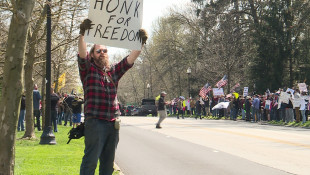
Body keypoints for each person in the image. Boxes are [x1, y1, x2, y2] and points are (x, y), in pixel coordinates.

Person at [78, 19, 148, 175]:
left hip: (112, 124)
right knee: (90, 162)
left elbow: (130, 59)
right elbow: (82, 54)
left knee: (107, 166)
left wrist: (140, 43)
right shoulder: (87, 69)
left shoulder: (113, 71)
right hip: (95, 122)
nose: (102, 53)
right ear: (92, 55)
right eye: (98, 51)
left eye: (105, 50)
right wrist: (82, 34)